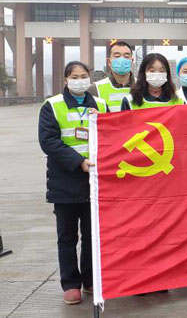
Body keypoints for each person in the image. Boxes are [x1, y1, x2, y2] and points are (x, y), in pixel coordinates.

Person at [38, 61, 108, 305]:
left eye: (84, 76)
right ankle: (70, 284)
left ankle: (90, 279)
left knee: (91, 235)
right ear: (66, 80)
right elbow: (49, 141)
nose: (80, 80)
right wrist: (78, 161)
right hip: (65, 181)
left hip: (94, 182)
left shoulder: (100, 104)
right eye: (74, 76)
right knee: (67, 237)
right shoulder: (52, 106)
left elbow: (112, 135)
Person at [88, 40, 135, 112]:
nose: (122, 59)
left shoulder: (143, 86)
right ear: (109, 62)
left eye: (126, 56)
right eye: (117, 56)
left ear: (132, 61)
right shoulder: (95, 89)